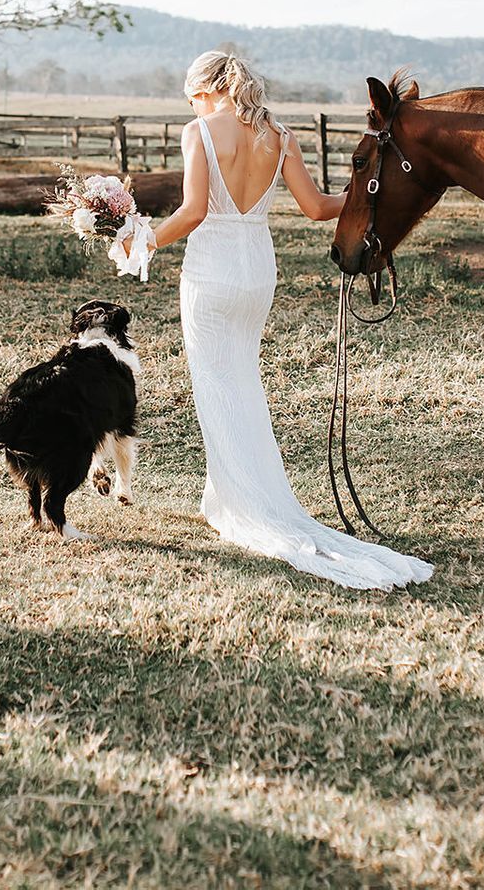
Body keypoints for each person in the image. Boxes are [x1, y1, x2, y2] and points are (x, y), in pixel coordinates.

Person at [128, 51, 434, 589]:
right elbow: (317, 207)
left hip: (214, 270)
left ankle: (243, 503)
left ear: (209, 90)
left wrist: (144, 237)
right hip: (257, 275)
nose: (193, 105)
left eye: (193, 96)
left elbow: (195, 211)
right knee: (241, 382)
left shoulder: (199, 131)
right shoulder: (281, 135)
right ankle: (227, 493)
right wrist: (366, 196)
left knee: (215, 385)